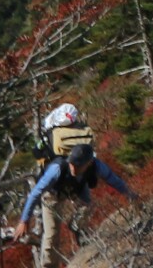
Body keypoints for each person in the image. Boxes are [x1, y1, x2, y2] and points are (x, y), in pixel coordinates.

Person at [16, 103, 135, 264]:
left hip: (78, 189)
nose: (73, 167)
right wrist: (24, 220)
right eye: (72, 163)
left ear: (88, 162)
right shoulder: (57, 168)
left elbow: (114, 180)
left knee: (87, 207)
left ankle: (76, 225)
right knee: (51, 236)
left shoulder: (95, 165)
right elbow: (37, 192)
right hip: (53, 194)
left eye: (77, 165)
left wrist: (131, 195)